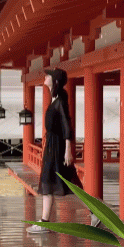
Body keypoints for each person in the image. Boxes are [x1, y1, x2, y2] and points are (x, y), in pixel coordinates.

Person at [28, 67, 76, 233]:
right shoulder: (56, 98)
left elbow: (66, 125)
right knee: (66, 182)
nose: (45, 76)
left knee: (52, 180)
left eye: (48, 75)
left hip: (58, 147)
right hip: (53, 145)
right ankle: (44, 221)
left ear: (54, 81)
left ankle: (44, 222)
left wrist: (68, 150)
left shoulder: (60, 102)